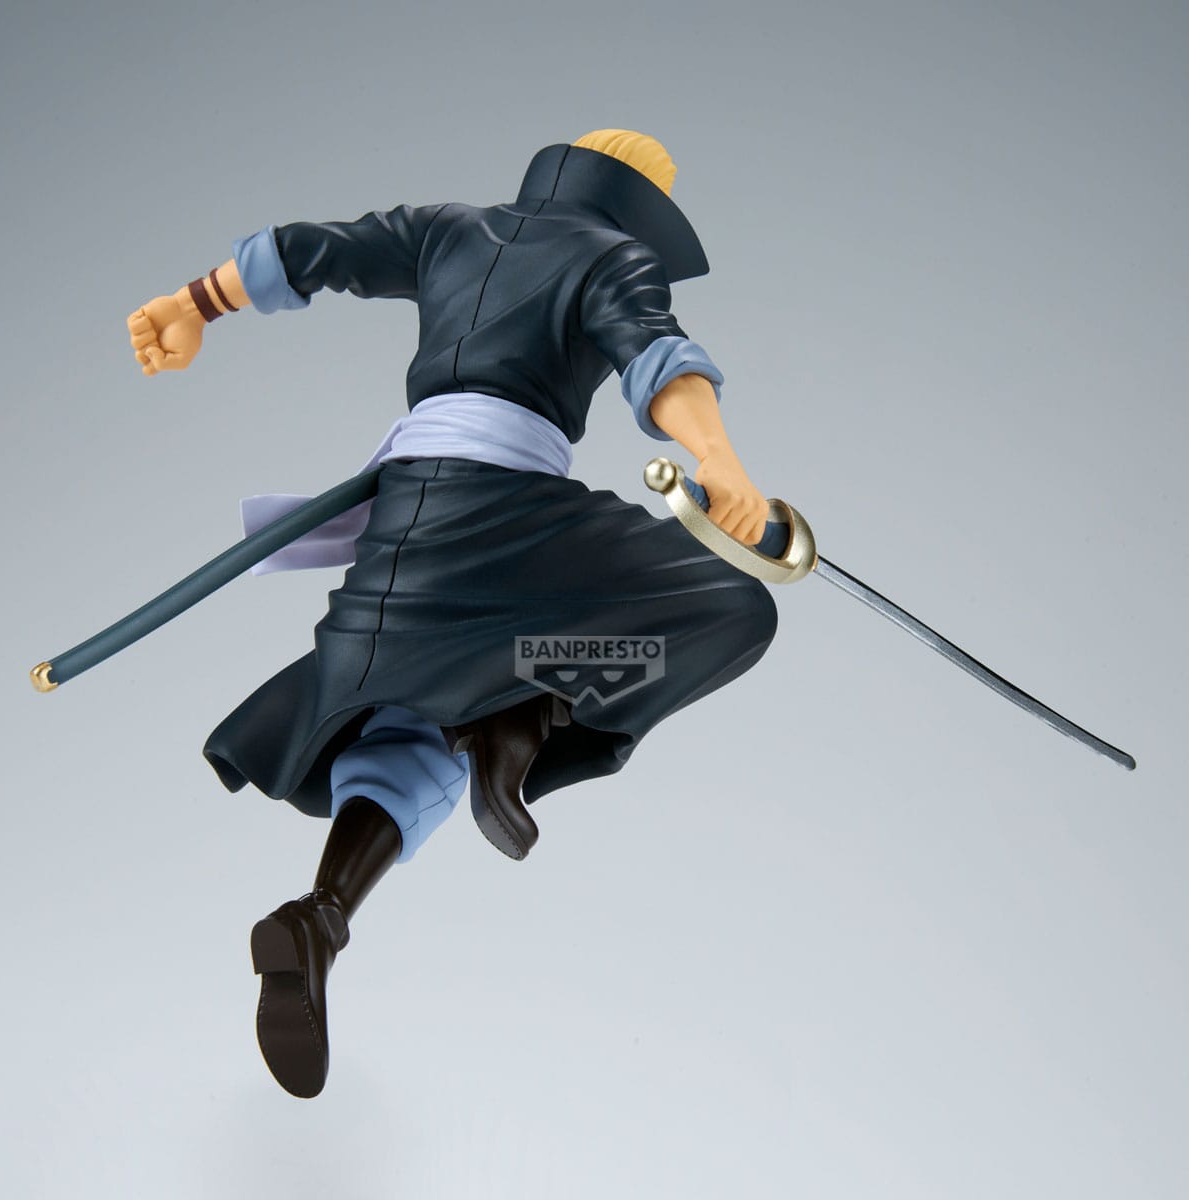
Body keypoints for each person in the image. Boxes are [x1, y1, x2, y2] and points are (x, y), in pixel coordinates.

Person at [127, 129, 778, 1098]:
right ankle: (529, 707)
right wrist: (718, 458)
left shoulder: (447, 229)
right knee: (729, 607)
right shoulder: (611, 254)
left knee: (405, 718)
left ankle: (320, 917)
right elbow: (655, 354)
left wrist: (191, 304)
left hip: (406, 517)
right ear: (637, 208)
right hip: (506, 512)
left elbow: (315, 252)